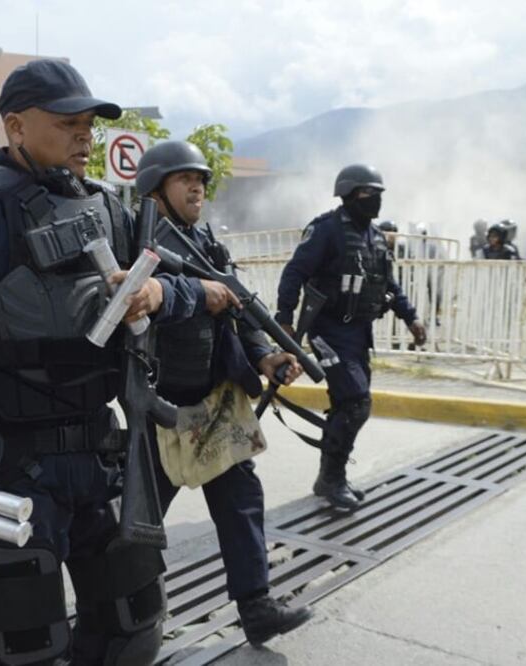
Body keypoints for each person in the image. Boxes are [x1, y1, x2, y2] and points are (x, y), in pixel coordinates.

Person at [0, 59, 204, 665]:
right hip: (13, 459)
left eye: (90, 124)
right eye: (68, 123)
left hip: (101, 456)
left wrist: (159, 293)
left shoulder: (110, 208)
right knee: (24, 646)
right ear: (17, 127)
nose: (85, 136)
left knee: (133, 630)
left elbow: (181, 285)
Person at [135, 140, 315, 646]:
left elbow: (239, 309)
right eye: (184, 179)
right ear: (155, 190)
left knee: (241, 502)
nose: (197, 187)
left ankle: (256, 607)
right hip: (161, 408)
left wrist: (265, 356)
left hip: (214, 403)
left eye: (201, 180)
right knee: (136, 521)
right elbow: (136, 305)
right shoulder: (141, 244)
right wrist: (193, 296)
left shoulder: (205, 242)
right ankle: (114, 611)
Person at [275, 164, 426, 511]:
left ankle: (331, 476)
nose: (374, 200)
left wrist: (412, 318)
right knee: (357, 402)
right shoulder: (327, 230)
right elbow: (295, 272)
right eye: (366, 194)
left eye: (378, 194)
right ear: (347, 195)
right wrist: (284, 319)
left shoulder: (375, 238)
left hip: (359, 334)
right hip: (328, 330)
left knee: (348, 405)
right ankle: (331, 479)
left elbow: (389, 285)